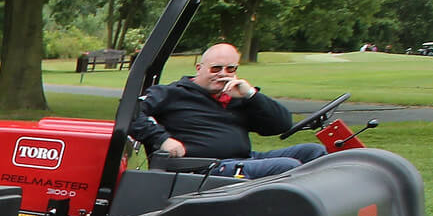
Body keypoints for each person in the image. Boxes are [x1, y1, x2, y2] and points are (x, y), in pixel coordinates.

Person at [128, 44, 326, 177]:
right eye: (216, 68)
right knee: (288, 167)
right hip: (203, 167)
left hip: (243, 159)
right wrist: (162, 139)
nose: (223, 74)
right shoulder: (171, 93)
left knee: (314, 152)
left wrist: (251, 96)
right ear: (199, 68)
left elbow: (281, 125)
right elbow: (129, 112)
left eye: (230, 69)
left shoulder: (236, 96)